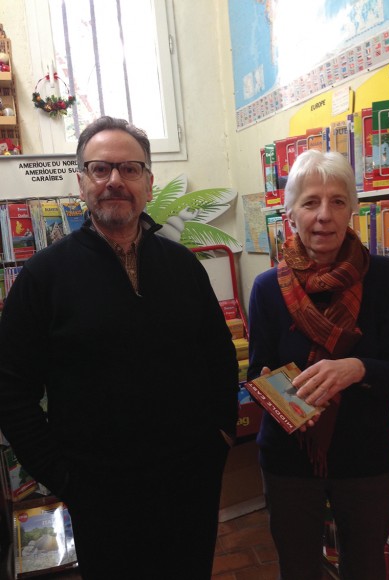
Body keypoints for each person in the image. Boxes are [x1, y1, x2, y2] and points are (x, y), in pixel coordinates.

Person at [0, 116, 239, 579]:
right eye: (100, 169)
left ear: (148, 184)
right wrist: (64, 477)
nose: (115, 181)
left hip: (190, 482)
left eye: (130, 169)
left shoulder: (183, 266)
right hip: (101, 493)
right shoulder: (43, 278)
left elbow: (218, 355)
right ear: (81, 182)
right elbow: (11, 390)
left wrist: (222, 436)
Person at [247, 149, 389, 580]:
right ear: (291, 215)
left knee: (365, 568)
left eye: (338, 201)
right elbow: (257, 373)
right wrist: (280, 397)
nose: (324, 215)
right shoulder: (268, 288)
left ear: (352, 212)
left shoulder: (383, 277)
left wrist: (356, 368)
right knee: (299, 569)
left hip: (365, 456)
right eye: (311, 202)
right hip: (290, 459)